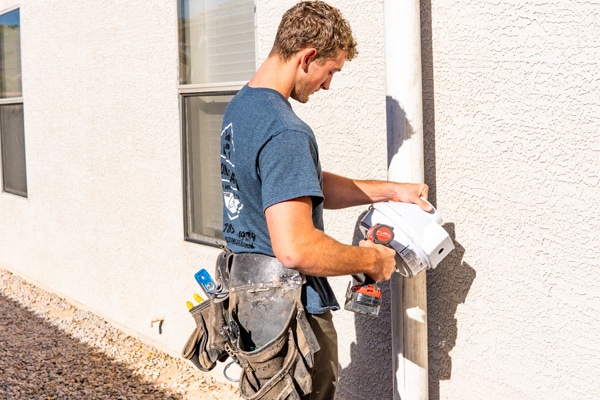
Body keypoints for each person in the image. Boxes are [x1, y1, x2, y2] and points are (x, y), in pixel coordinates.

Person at [220, 1, 431, 399]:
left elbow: (300, 186)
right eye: (330, 71)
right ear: (307, 57)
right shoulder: (286, 131)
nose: (328, 84)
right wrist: (373, 260)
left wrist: (391, 190)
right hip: (293, 322)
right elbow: (297, 248)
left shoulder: (243, 106)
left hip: (251, 307)